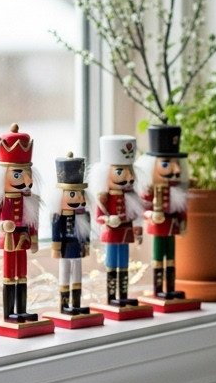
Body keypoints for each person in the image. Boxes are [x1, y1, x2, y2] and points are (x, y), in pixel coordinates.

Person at [0, 123, 41, 323]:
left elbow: (33, 222)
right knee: (9, 274)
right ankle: (9, 312)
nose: (25, 180)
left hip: (24, 238)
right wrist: (3, 226)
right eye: (17, 174)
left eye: (26, 173)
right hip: (9, 239)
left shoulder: (30, 199)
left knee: (23, 274)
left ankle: (22, 309)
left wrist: (34, 239)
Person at [89, 135, 144, 306]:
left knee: (124, 264)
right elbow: (98, 217)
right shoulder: (104, 198)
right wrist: (107, 219)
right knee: (112, 264)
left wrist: (137, 230)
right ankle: (112, 297)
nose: (127, 177)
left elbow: (135, 216)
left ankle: (124, 294)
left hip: (125, 233)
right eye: (120, 171)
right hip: (112, 235)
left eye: (129, 171)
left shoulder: (131, 197)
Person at [138, 123, 189, 301]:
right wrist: (151, 215)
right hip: (159, 229)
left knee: (172, 259)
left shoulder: (176, 189)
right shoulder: (149, 190)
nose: (176, 169)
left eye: (176, 163)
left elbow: (182, 210)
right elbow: (142, 209)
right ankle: (158, 288)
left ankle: (171, 288)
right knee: (159, 258)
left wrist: (183, 224)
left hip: (172, 228)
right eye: (167, 163)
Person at [50, 152, 92, 316]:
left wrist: (86, 246)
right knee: (64, 273)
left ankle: (76, 303)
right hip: (65, 248)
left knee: (77, 275)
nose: (79, 199)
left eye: (81, 194)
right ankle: (64, 305)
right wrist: (56, 248)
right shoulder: (58, 216)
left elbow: (86, 235)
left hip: (77, 247)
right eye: (73, 194)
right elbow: (56, 232)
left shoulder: (84, 215)